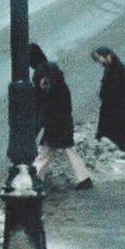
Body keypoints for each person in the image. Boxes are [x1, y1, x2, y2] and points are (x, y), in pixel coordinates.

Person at [36, 57, 92, 189]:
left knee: (45, 153)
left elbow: (49, 107)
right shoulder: (60, 86)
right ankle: (83, 178)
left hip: (55, 126)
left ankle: (34, 178)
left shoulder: (54, 89)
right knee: (66, 152)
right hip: (62, 126)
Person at [93, 47, 125, 152]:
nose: (100, 62)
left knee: (120, 134)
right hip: (114, 107)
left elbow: (116, 89)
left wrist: (104, 94)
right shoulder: (112, 68)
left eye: (100, 59)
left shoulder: (118, 69)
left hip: (119, 107)